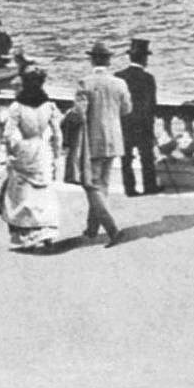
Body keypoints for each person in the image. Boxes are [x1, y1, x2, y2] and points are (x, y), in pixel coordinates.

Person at [0, 65, 63, 251]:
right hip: (42, 150)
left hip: (24, 148)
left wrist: (10, 152)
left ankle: (24, 236)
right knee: (43, 192)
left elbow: (8, 134)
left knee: (20, 195)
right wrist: (56, 153)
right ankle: (45, 232)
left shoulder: (17, 106)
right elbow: (58, 133)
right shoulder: (49, 105)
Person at [73, 41, 130, 246]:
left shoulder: (84, 83)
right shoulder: (119, 83)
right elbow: (126, 109)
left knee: (91, 184)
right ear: (108, 60)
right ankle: (92, 228)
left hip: (92, 139)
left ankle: (112, 229)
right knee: (102, 184)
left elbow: (79, 113)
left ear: (92, 60)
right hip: (114, 139)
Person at [116, 37, 160, 196]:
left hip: (123, 123)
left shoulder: (118, 76)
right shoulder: (148, 78)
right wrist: (150, 125)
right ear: (144, 58)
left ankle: (130, 189)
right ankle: (150, 186)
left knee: (125, 159)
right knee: (147, 157)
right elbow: (151, 105)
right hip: (142, 124)